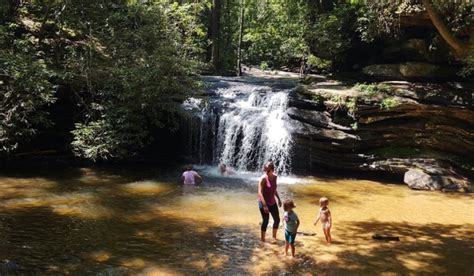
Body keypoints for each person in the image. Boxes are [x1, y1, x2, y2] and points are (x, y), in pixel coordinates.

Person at [258, 160, 282, 242]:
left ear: (272, 170)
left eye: (267, 170)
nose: (266, 171)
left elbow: (274, 189)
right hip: (264, 202)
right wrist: (264, 205)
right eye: (265, 169)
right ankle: (262, 240)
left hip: (272, 202)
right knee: (265, 221)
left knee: (277, 220)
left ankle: (274, 238)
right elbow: (260, 193)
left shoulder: (275, 177)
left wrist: (278, 199)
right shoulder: (263, 179)